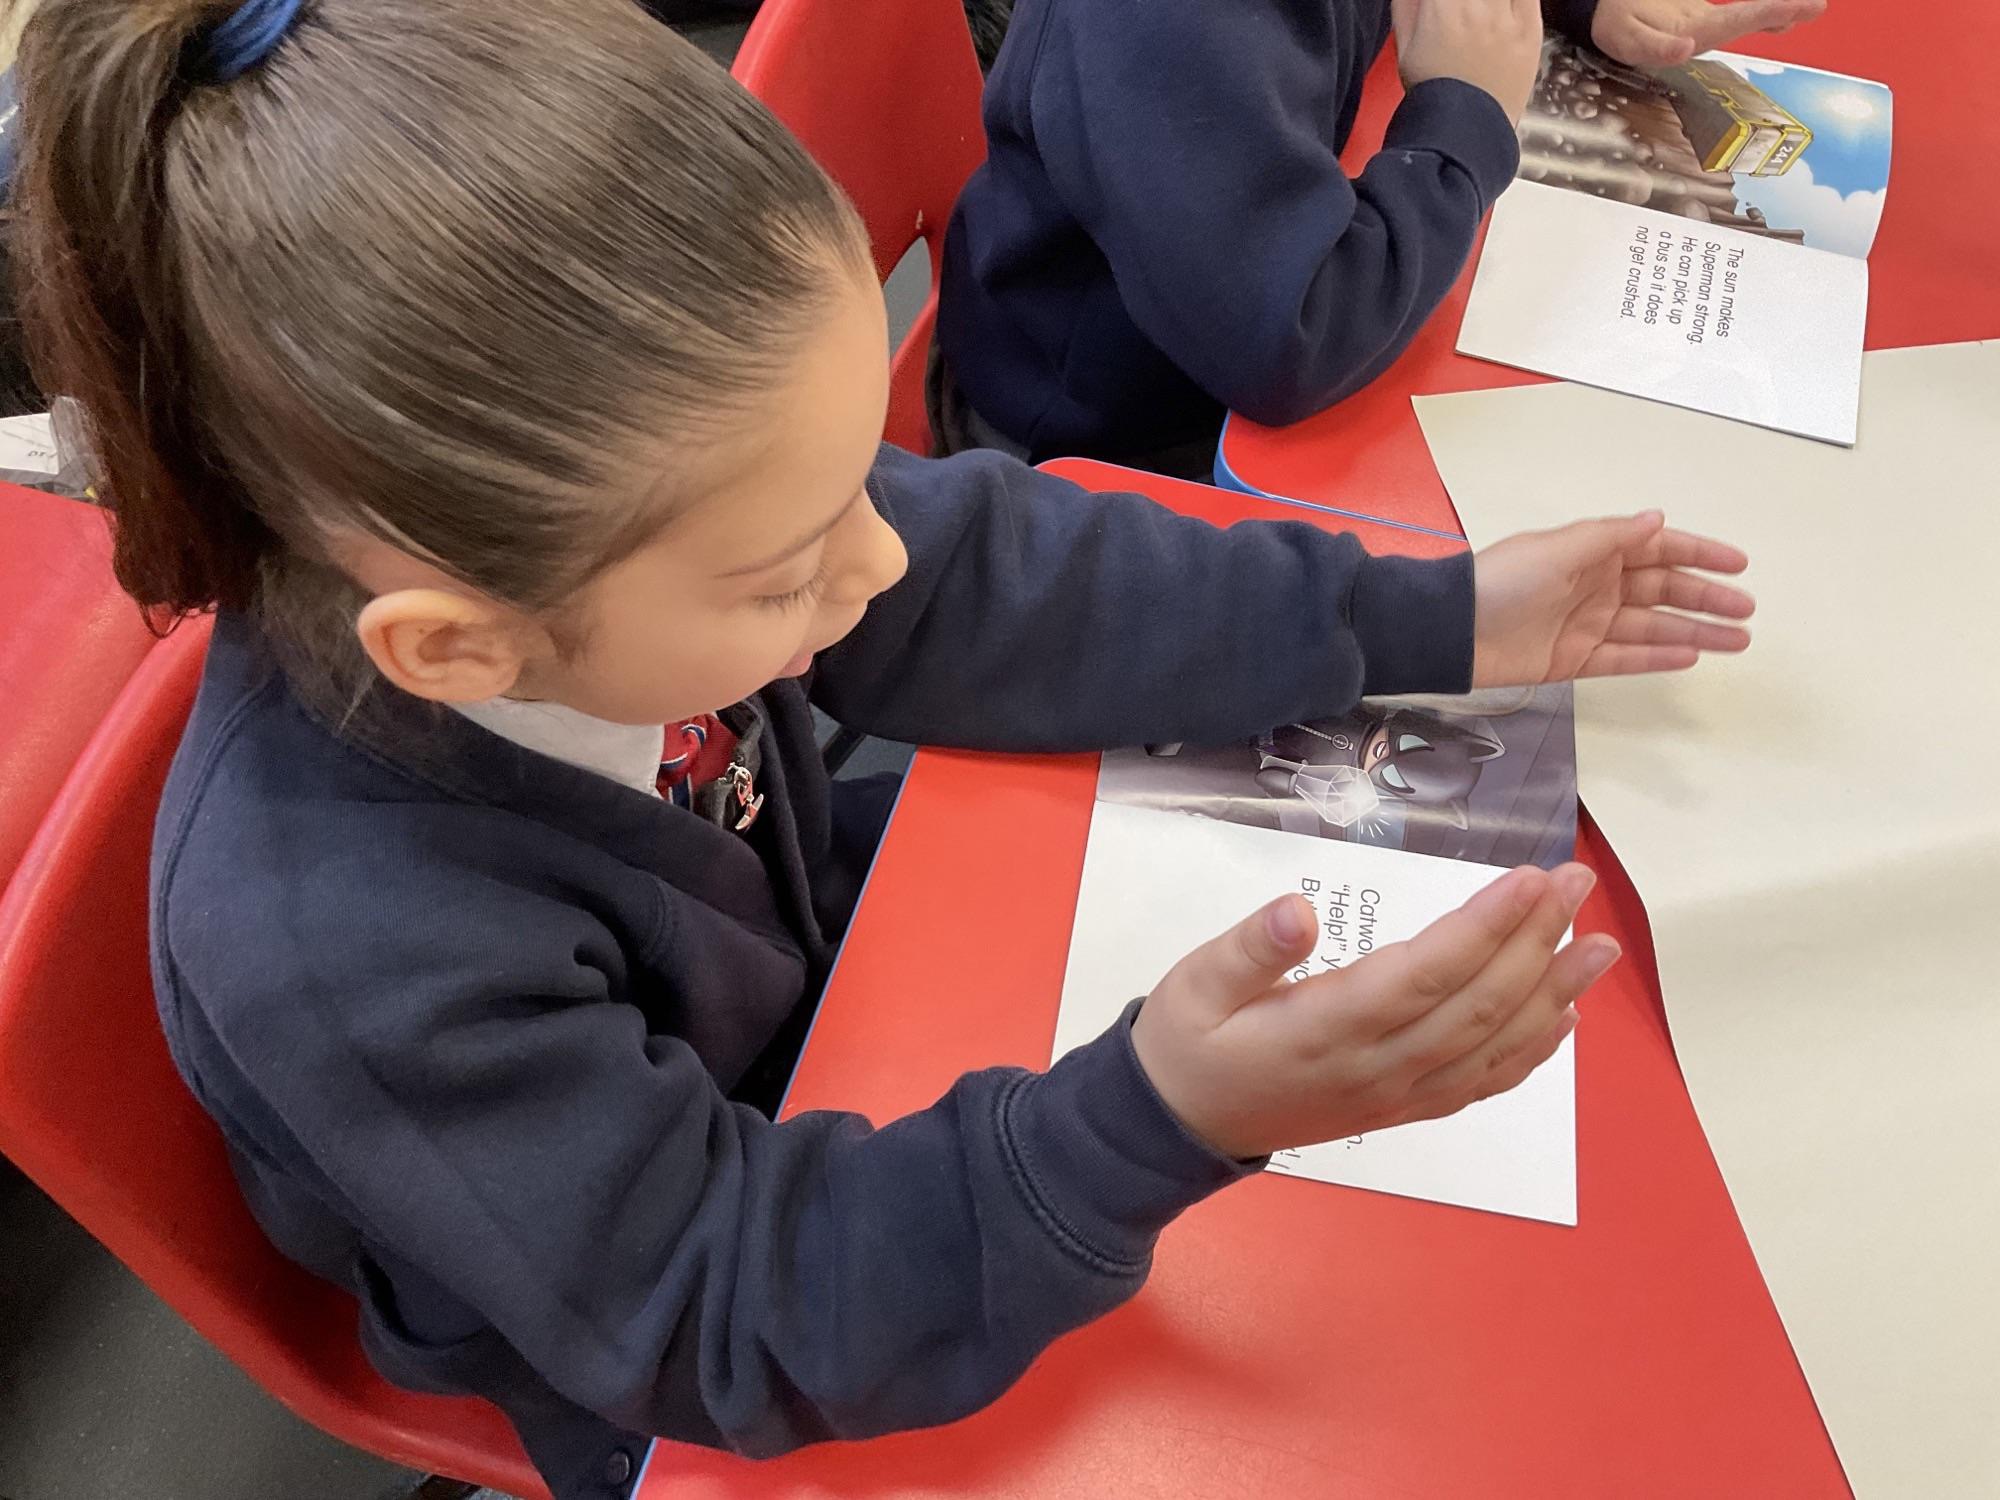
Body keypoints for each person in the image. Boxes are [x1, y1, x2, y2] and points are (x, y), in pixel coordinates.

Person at [11, 2, 1755, 1497]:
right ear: (460, 644)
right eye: (788, 570)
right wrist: (1155, 1123)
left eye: (857, 480)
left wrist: (1439, 624)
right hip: (655, 1345)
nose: (872, 561)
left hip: (814, 1012)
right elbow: (720, 1316)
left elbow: (989, 571)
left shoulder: (632, 560)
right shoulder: (346, 946)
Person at [931, 0, 1828, 474]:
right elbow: (1289, 340)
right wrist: (1464, 118)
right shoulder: (1162, 23)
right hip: (1110, 430)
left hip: (1248, 297)